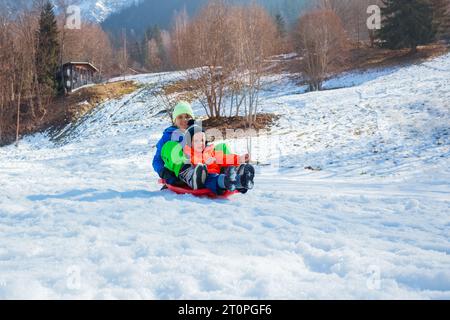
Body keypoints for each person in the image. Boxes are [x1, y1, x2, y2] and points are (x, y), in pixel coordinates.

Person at [183, 120, 255, 195]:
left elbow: (225, 158)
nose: (200, 143)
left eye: (202, 140)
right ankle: (226, 181)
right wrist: (205, 163)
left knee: (228, 171)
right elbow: (194, 170)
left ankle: (242, 181)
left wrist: (239, 159)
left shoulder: (210, 152)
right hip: (206, 178)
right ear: (190, 143)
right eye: (196, 141)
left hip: (218, 173)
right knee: (214, 178)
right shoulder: (190, 154)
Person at [152, 101, 208, 190]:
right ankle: (189, 176)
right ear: (175, 120)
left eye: (187, 117)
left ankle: (230, 174)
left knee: (220, 148)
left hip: (198, 167)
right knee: (170, 146)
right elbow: (157, 159)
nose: (184, 119)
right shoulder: (168, 136)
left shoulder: (196, 132)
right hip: (176, 175)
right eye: (180, 117)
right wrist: (162, 171)